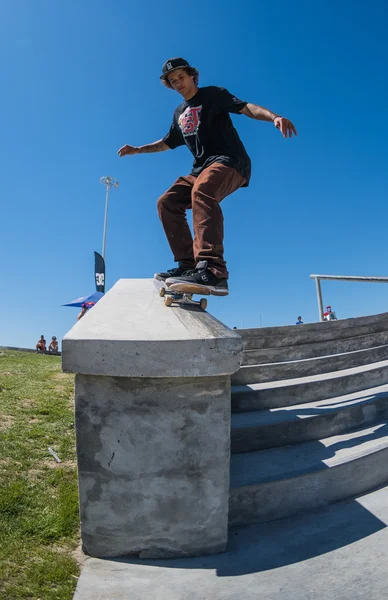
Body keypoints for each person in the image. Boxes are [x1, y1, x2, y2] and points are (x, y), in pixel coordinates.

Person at [118, 57, 297, 296]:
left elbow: (246, 108)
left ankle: (213, 269)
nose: (178, 83)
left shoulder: (213, 94)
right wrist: (137, 149)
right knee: (167, 202)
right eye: (173, 81)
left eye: (181, 77)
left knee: (201, 190)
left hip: (231, 161)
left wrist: (274, 117)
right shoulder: (179, 113)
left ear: (192, 76)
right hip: (200, 169)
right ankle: (188, 265)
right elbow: (166, 143)